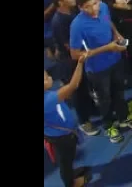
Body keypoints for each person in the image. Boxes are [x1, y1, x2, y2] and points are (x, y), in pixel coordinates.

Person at [69, 0, 132, 144]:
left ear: (99, 0)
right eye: (87, 7)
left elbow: (108, 21)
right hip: (98, 69)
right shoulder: (77, 25)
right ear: (80, 8)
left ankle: (123, 118)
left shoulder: (104, 7)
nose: (93, 9)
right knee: (104, 99)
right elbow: (75, 54)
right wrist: (107, 48)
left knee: (119, 92)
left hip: (116, 60)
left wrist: (116, 34)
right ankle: (109, 125)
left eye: (95, 4)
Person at [44, 52, 92, 187]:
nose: (50, 78)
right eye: (46, 78)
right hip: (62, 138)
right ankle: (71, 183)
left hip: (57, 135)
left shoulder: (49, 95)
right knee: (65, 161)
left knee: (66, 160)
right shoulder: (49, 99)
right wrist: (80, 63)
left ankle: (70, 176)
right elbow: (74, 85)